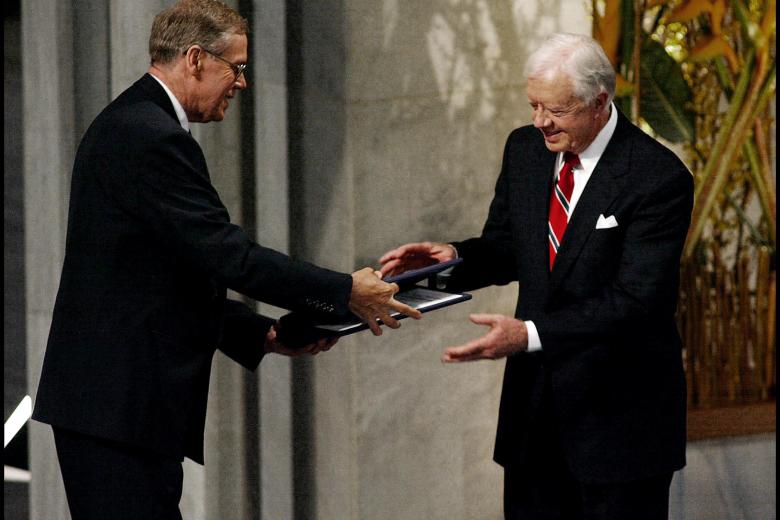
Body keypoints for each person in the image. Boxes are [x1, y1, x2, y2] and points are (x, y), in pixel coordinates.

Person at [31, 1, 420, 518]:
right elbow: (228, 255)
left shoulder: (138, 123)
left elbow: (167, 273)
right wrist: (343, 290)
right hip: (118, 408)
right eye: (236, 67)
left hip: (118, 407)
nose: (242, 83)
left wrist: (258, 335)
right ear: (195, 58)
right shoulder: (149, 136)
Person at [380, 33, 693, 520]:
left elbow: (636, 301)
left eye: (556, 111)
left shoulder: (657, 177)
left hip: (619, 427)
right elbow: (510, 248)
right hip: (534, 423)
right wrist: (450, 259)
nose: (540, 122)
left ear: (599, 102)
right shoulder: (526, 149)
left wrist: (528, 334)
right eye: (533, 106)